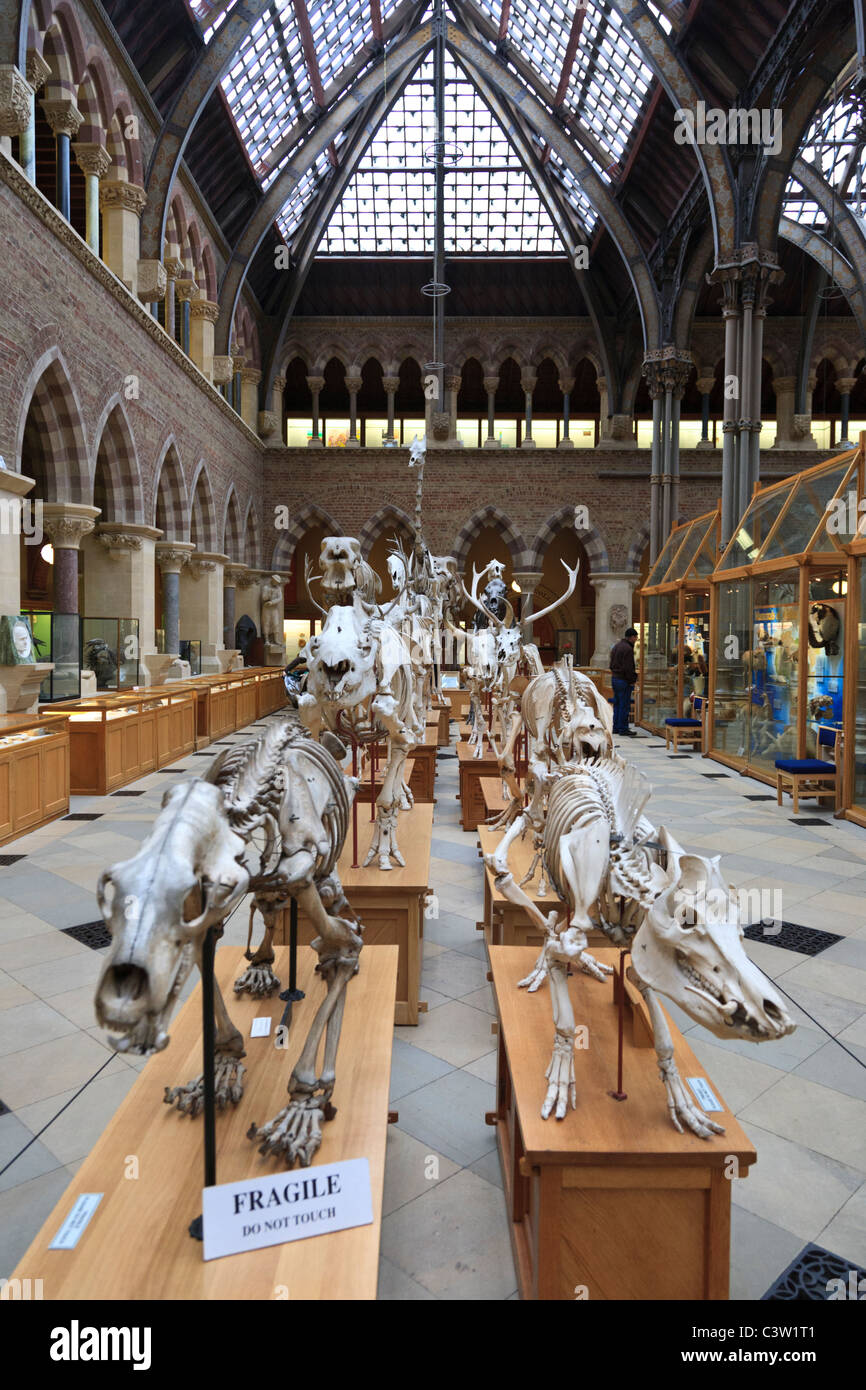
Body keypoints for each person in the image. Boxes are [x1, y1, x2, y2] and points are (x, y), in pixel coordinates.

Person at [610, 627, 638, 737]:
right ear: (631, 637)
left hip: (615, 678)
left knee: (617, 704)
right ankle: (623, 728)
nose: (636, 639)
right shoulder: (627, 649)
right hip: (623, 680)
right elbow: (628, 667)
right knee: (624, 705)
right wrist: (632, 680)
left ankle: (616, 727)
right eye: (635, 637)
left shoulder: (617, 646)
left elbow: (611, 663)